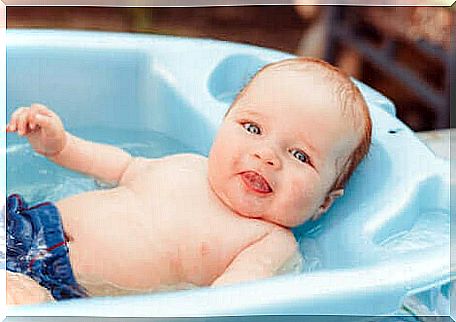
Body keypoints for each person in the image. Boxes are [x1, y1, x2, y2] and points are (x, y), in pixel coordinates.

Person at [5, 57, 372, 305]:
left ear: (325, 201)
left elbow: (222, 304)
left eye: (300, 156)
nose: (267, 155)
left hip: (52, 285)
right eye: (253, 128)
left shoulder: (269, 241)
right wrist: (61, 144)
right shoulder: (188, 165)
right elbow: (118, 166)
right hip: (25, 221)